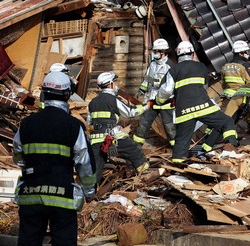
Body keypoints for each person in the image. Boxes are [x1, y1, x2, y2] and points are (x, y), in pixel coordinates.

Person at [13, 71, 96, 246]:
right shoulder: (74, 126)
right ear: (67, 95)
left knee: (29, 241)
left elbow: (18, 156)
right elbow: (84, 162)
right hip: (62, 198)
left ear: (44, 93)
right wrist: (89, 192)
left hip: (31, 195)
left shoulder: (27, 124)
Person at [156, 41, 237, 162]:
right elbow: (204, 87)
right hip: (204, 107)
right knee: (227, 122)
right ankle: (231, 149)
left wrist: (159, 101)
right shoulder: (201, 67)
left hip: (184, 111)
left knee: (181, 142)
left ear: (178, 55)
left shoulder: (174, 69)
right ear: (192, 53)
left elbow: (166, 90)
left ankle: (177, 166)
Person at [87, 72, 149, 181]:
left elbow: (89, 122)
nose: (116, 85)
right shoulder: (113, 99)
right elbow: (131, 112)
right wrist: (147, 106)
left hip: (96, 140)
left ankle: (90, 193)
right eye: (115, 83)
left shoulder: (93, 102)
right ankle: (145, 177)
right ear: (110, 84)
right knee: (136, 153)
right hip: (112, 137)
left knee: (95, 171)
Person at [133, 38, 177, 146]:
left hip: (165, 102)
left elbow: (168, 88)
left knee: (170, 127)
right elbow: (148, 78)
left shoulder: (171, 67)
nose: (154, 54)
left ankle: (177, 148)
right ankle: (136, 147)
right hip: (151, 100)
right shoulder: (152, 64)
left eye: (156, 52)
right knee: (143, 123)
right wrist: (142, 89)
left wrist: (159, 98)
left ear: (163, 52)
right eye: (154, 51)